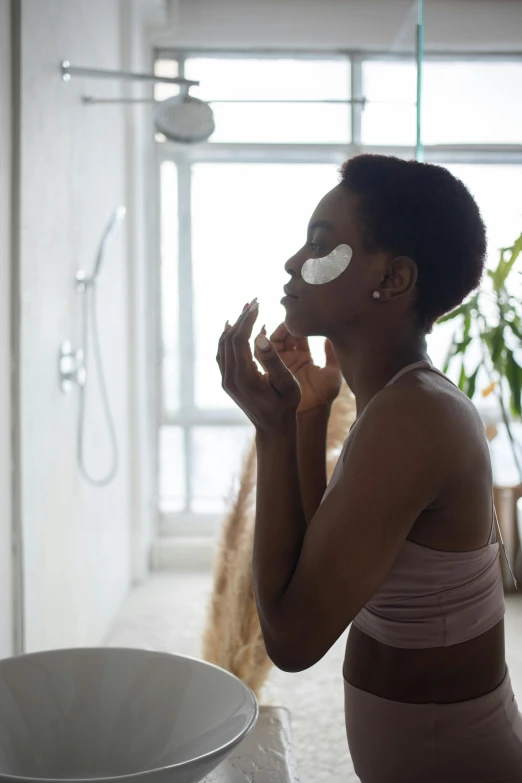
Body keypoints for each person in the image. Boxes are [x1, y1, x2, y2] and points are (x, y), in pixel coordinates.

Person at [216, 154, 522, 782]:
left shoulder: (415, 419)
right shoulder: (396, 401)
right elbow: (313, 556)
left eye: (321, 245)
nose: (293, 262)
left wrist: (273, 433)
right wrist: (306, 413)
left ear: (393, 278)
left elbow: (294, 640)